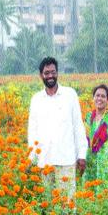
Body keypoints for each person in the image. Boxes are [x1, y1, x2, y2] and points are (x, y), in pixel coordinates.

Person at [28, 57, 88, 199]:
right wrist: (31, 159)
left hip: (66, 159)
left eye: (53, 72)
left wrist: (82, 155)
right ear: (41, 75)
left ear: (57, 73)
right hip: (44, 161)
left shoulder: (70, 95)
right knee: (47, 205)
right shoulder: (36, 99)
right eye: (46, 72)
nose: (50, 76)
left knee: (67, 203)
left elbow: (78, 126)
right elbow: (32, 131)